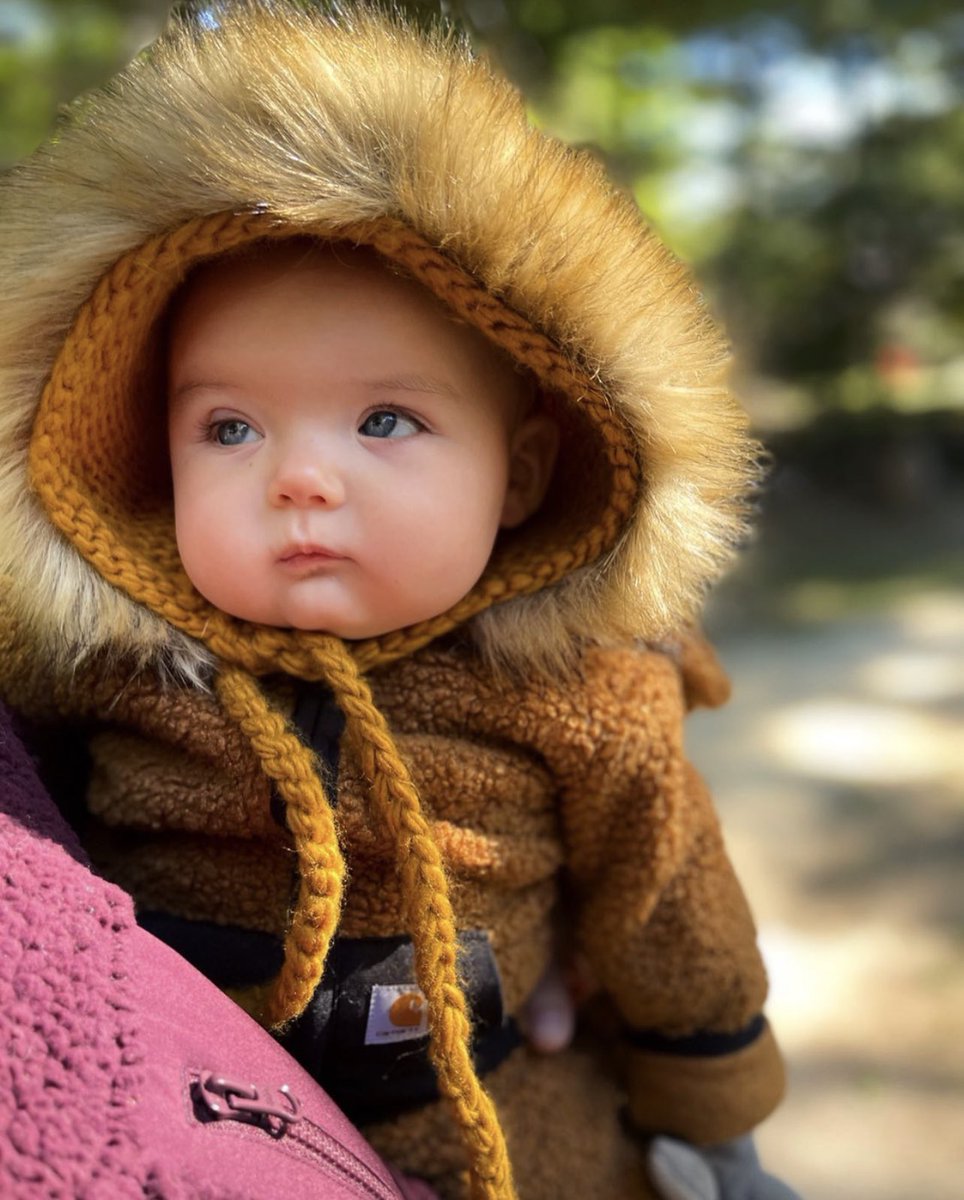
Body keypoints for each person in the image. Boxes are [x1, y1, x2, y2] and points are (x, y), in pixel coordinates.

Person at [0, 3, 800, 1199]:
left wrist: (717, 1124)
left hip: (515, 1131)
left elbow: (669, 905)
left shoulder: (582, 692)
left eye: (386, 420)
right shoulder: (106, 669)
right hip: (220, 1115)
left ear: (524, 474)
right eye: (229, 426)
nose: (299, 477)